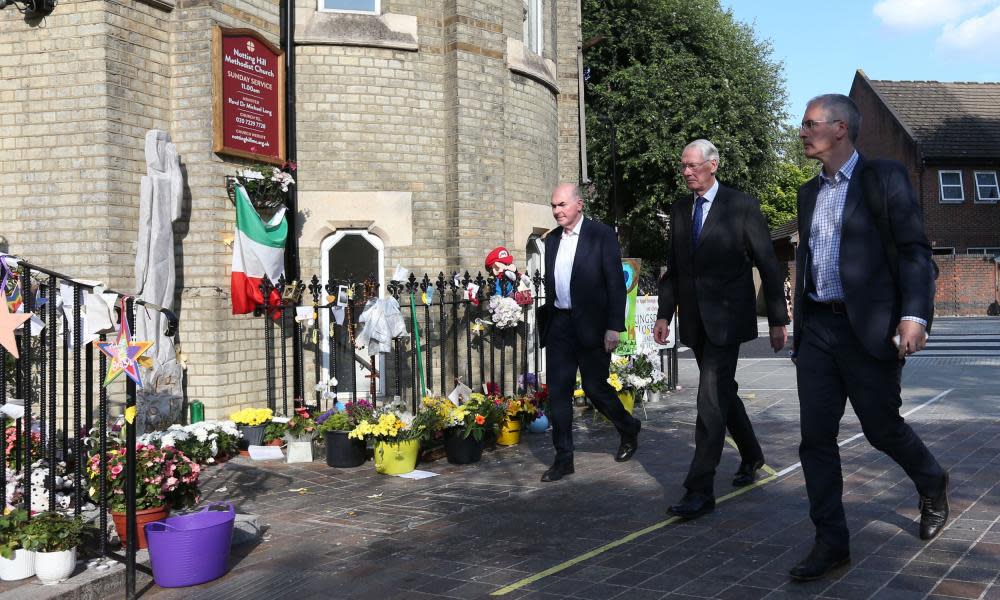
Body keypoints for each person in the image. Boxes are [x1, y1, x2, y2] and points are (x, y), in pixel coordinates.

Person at [788, 94, 948, 582]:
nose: (801, 132)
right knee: (815, 438)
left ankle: (932, 480)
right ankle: (831, 542)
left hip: (868, 329)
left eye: (810, 124)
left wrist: (914, 315)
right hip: (817, 327)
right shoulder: (807, 193)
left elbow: (914, 251)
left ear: (840, 129)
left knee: (881, 428)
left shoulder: (884, 177)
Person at [653, 139, 788, 519]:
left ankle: (699, 490)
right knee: (723, 393)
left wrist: (778, 319)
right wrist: (665, 315)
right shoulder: (681, 210)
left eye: (693, 165)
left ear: (713, 165)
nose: (686, 172)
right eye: (683, 166)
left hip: (728, 320)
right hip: (695, 321)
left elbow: (767, 262)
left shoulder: (740, 205)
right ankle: (752, 454)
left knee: (709, 400)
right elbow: (675, 268)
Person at [537, 183, 642, 482]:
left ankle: (628, 427)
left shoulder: (602, 235)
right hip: (559, 324)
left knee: (596, 390)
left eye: (562, 205)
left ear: (579, 205)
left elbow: (615, 283)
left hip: (593, 327)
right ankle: (563, 458)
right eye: (554, 206)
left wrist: (613, 327)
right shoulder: (552, 240)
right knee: (558, 393)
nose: (557, 211)